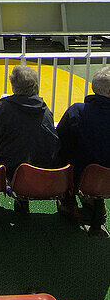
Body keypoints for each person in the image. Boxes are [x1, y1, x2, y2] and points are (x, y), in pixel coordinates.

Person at [0, 64, 59, 179]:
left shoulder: (3, 109)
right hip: (40, 170)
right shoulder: (46, 112)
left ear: (14, 86)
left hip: (7, 169)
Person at [56, 65, 110, 220]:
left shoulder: (78, 111)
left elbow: (60, 140)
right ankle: (94, 200)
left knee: (63, 155)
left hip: (80, 173)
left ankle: (68, 201)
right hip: (104, 175)